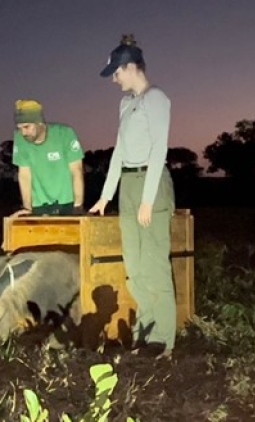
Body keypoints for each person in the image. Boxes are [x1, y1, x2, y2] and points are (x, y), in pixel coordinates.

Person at [88, 34, 176, 360]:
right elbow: (118, 153)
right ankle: (144, 335)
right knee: (135, 266)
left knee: (155, 263)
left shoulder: (157, 98)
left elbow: (159, 150)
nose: (114, 79)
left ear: (130, 66)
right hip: (127, 185)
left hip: (151, 184)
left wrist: (149, 199)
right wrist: (105, 196)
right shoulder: (125, 104)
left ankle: (164, 341)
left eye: (116, 72)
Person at [10, 99, 85, 217]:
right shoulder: (20, 139)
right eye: (19, 128)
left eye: (26, 127)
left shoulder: (65, 134)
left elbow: (76, 171)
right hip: (39, 205)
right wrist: (27, 208)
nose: (23, 133)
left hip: (68, 203)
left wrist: (78, 205)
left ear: (39, 122)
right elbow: (24, 175)